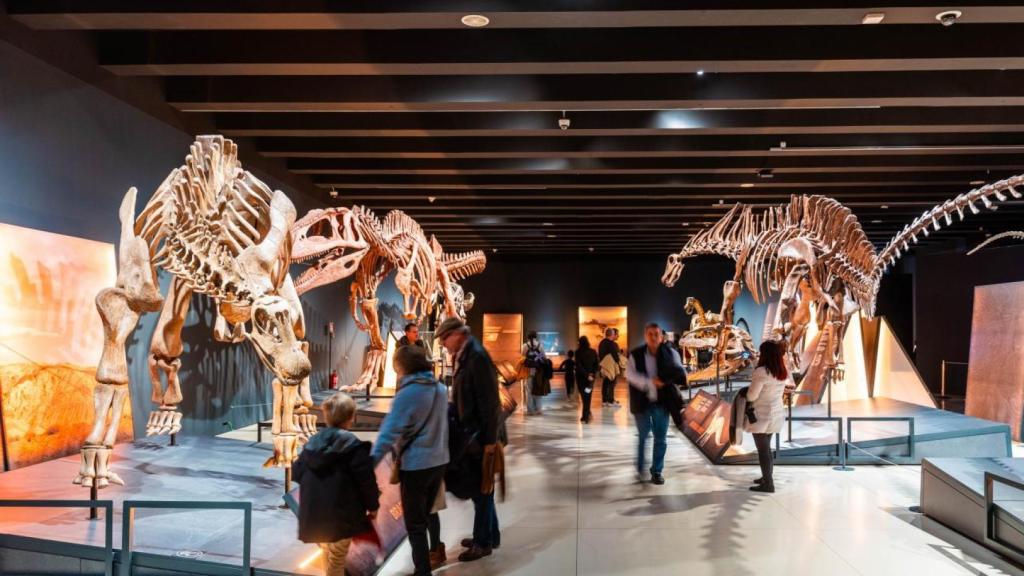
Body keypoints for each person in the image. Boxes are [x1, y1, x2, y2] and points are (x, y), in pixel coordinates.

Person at [371, 346, 450, 575]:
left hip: (416, 465)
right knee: (427, 514)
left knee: (415, 524)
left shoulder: (407, 394)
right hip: (439, 462)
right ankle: (430, 557)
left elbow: (388, 434)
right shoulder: (441, 389)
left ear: (402, 367)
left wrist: (367, 467)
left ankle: (422, 571)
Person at [436, 317, 502, 562]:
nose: (443, 344)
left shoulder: (477, 357)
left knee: (481, 490)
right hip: (473, 434)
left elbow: (490, 403)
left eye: (445, 338)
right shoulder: (466, 355)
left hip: (481, 437)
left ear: (457, 334)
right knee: (482, 489)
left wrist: (489, 442)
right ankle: (490, 534)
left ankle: (483, 542)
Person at [293, 392, 379, 576]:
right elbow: (366, 481)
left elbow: (297, 472)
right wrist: (373, 506)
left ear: (326, 416)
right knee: (337, 558)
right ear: (351, 417)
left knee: (327, 552)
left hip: (315, 513)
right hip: (342, 516)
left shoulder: (311, 444)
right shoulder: (353, 446)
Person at [625, 322, 687, 485]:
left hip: (662, 402)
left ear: (661, 336)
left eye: (656, 334)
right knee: (643, 436)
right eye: (650, 334)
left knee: (660, 438)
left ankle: (657, 471)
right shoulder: (636, 354)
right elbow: (630, 375)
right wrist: (649, 383)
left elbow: (680, 371)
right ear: (645, 336)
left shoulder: (671, 353)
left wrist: (664, 380)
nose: (653, 337)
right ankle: (640, 468)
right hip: (641, 403)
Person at [745, 340, 791, 494]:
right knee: (766, 449)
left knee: (763, 451)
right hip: (775, 414)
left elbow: (752, 396)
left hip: (761, 416)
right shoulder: (781, 371)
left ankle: (768, 483)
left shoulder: (761, 372)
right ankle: (766, 477)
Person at [574, 337, 599, 423]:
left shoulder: (577, 352)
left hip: (581, 379)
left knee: (584, 397)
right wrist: (592, 374)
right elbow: (597, 365)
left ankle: (585, 416)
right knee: (588, 396)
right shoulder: (593, 351)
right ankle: (586, 415)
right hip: (590, 380)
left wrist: (586, 375)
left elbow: (579, 366)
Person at [521, 331, 547, 415]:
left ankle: (530, 410)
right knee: (538, 390)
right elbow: (544, 357)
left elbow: (522, 357)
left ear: (528, 337)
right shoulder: (540, 345)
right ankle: (538, 409)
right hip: (538, 372)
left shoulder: (525, 346)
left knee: (529, 391)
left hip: (528, 371)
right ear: (536, 337)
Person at [598, 328, 622, 407]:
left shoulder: (601, 343)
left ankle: (605, 401)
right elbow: (615, 355)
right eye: (615, 334)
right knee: (611, 383)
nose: (617, 335)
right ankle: (610, 401)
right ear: (612, 334)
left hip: (604, 366)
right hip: (610, 367)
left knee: (606, 383)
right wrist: (619, 361)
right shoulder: (611, 343)